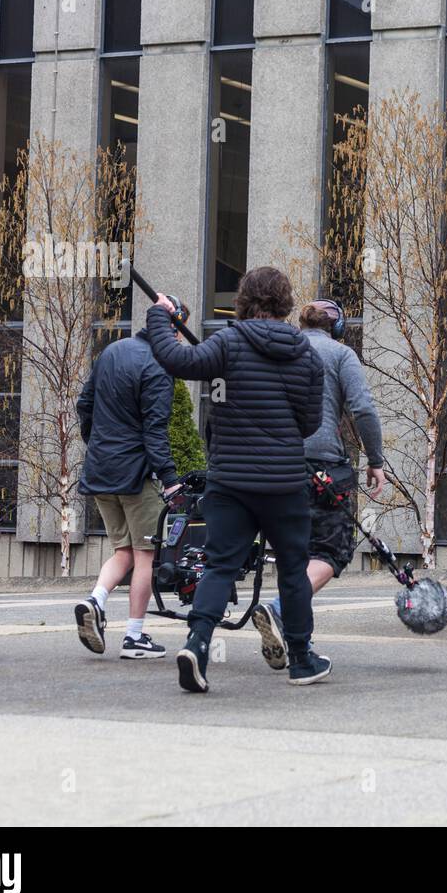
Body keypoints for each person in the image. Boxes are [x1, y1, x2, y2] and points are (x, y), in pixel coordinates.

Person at [145, 267, 326, 692]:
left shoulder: (228, 343)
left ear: (243, 299)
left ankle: (198, 643)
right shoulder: (307, 355)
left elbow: (176, 360)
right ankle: (301, 660)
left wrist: (160, 316)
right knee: (294, 571)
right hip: (283, 483)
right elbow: (308, 424)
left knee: (221, 564)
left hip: (230, 482)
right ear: (285, 303)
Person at [252, 299, 386, 670]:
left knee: (293, 553)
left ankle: (299, 643)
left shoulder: (280, 351)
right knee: (332, 551)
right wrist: (375, 460)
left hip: (277, 463)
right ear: (338, 327)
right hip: (325, 465)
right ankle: (280, 610)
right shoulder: (341, 354)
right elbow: (362, 408)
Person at [73, 309, 183, 659]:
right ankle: (134, 636)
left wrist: (97, 444)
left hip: (101, 470)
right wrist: (170, 480)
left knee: (122, 551)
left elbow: (84, 404)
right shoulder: (158, 367)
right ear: (170, 328)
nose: (180, 339)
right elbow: (155, 432)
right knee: (145, 554)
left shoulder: (111, 352)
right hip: (136, 475)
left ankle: (95, 600)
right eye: (179, 330)